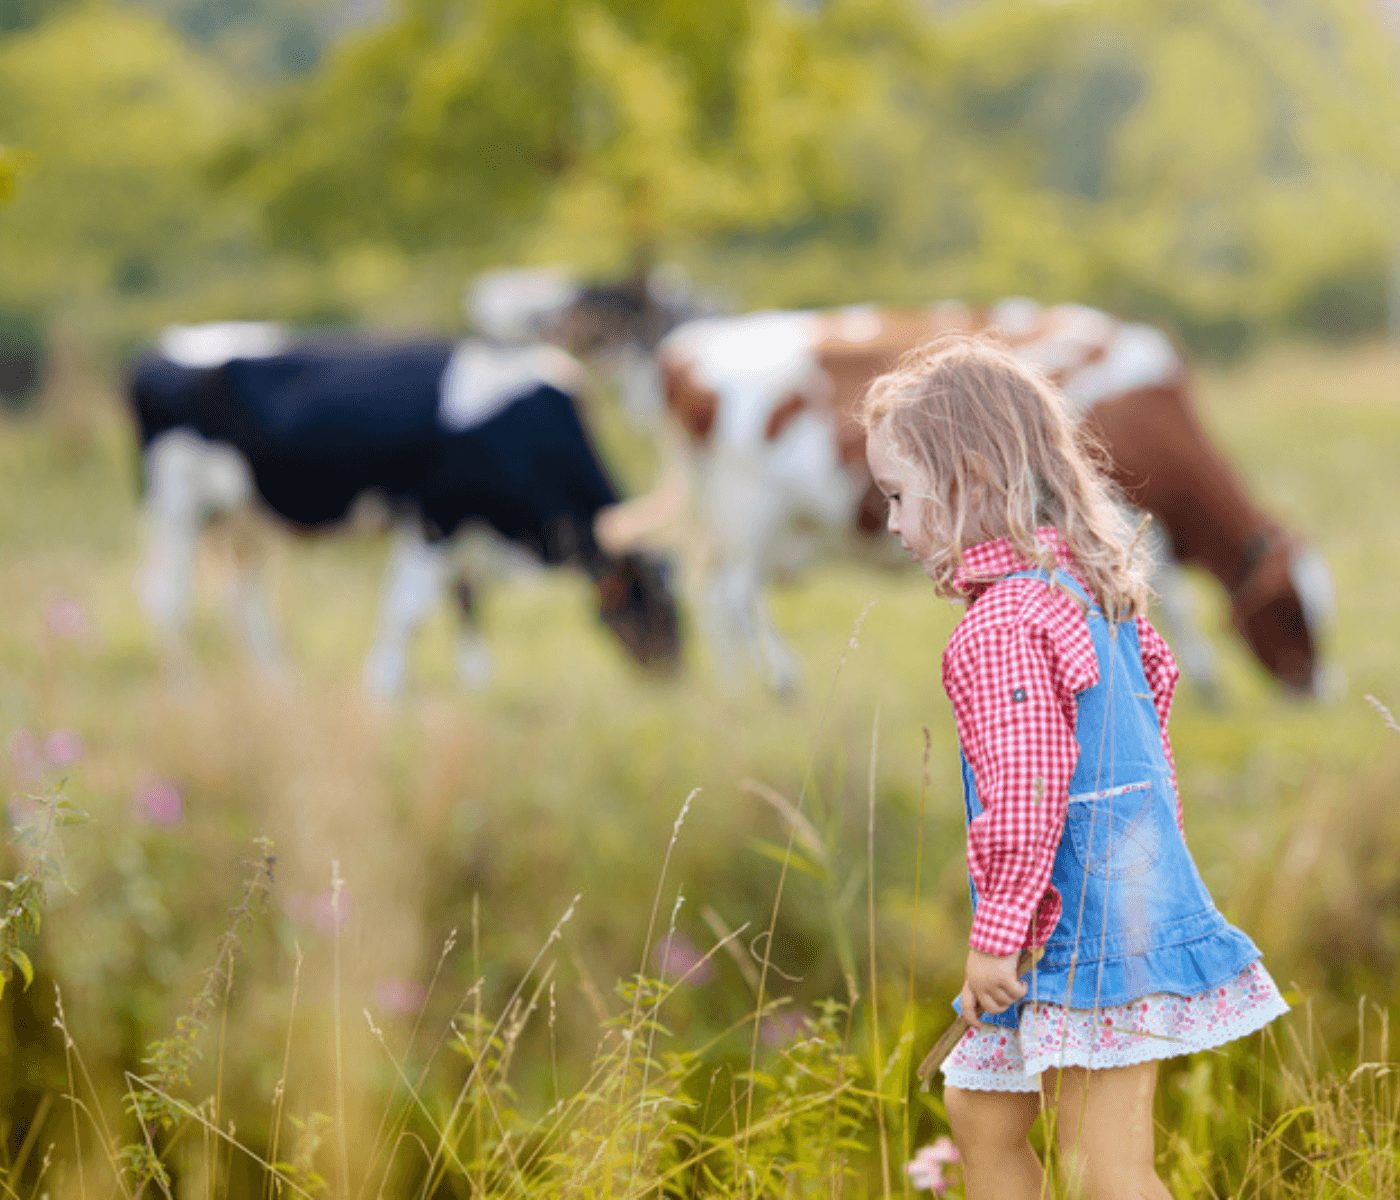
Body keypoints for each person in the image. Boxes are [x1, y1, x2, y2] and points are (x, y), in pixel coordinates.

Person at [860, 336, 1288, 1199]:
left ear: (971, 479)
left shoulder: (1003, 626)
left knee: (1108, 1166)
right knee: (982, 1116)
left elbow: (1026, 788)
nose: (895, 526)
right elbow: (1152, 700)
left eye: (900, 498)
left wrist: (999, 933)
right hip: (1102, 904)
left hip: (1071, 926)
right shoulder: (1083, 588)